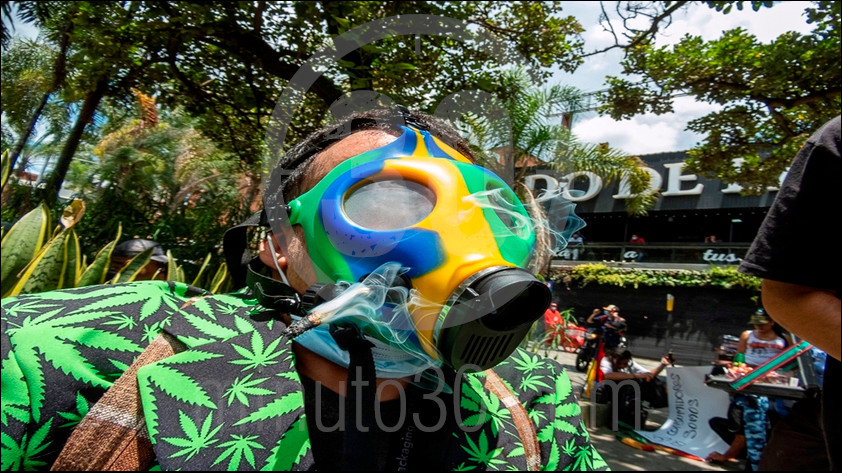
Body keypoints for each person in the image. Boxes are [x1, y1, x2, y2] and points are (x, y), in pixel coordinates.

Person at [0, 108, 605, 471]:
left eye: (486, 215)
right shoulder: (69, 346)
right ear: (276, 243)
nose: (450, 239)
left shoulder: (533, 395)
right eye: (387, 200)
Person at [737, 115, 840, 471]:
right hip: (759, 392)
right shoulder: (835, 140)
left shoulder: (784, 342)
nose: (760, 324)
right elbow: (790, 296)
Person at [705, 309, 788, 469]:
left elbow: (791, 363)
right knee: (739, 418)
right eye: (756, 323)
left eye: (762, 323)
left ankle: (748, 455)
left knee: (759, 422)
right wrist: (738, 369)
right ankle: (744, 454)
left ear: (772, 322)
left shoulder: (784, 339)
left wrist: (779, 375)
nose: (758, 326)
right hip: (748, 381)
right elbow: (740, 357)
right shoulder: (747, 335)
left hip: (772, 385)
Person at [595, 347, 672, 428]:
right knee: (631, 381)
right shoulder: (606, 361)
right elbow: (606, 375)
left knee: (646, 382)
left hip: (625, 390)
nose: (622, 366)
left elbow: (648, 375)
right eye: (620, 363)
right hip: (606, 389)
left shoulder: (630, 364)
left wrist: (663, 364)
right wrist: (634, 375)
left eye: (625, 364)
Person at [106, 238, 170, 281]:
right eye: (113, 263)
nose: (114, 267)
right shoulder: (109, 283)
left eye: (120, 263)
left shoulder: (172, 283)